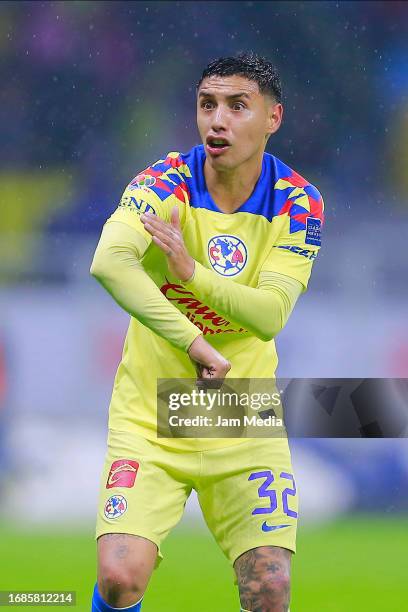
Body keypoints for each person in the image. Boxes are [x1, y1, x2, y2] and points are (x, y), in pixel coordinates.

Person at [90, 51, 324, 612]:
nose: (217, 120)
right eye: (207, 104)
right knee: (120, 578)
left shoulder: (298, 201)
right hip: (150, 412)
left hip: (240, 414)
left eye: (237, 106)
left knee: (269, 590)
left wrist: (192, 275)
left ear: (273, 118)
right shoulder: (164, 180)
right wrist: (194, 343)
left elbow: (269, 315)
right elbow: (109, 261)